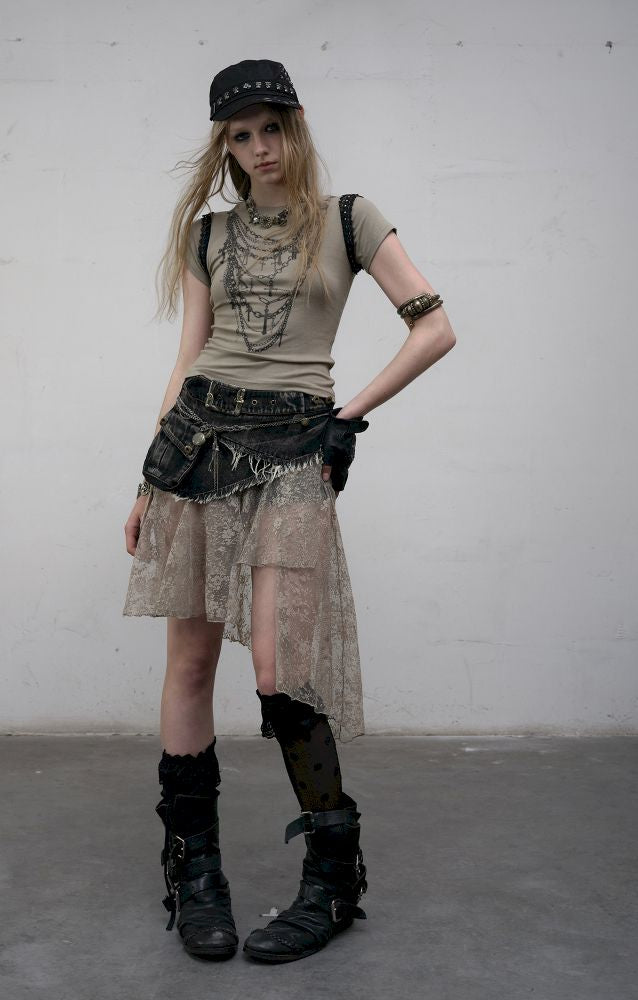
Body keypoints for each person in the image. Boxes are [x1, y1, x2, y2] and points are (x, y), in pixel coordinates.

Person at [122, 58, 456, 963]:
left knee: (279, 670)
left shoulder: (350, 219)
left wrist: (347, 415)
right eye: (241, 135)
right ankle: (195, 874)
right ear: (225, 147)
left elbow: (434, 326)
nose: (260, 148)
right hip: (197, 442)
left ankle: (333, 880)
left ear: (296, 126)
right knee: (191, 661)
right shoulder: (208, 234)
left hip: (294, 447)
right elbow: (189, 360)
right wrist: (149, 480)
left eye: (271, 128)